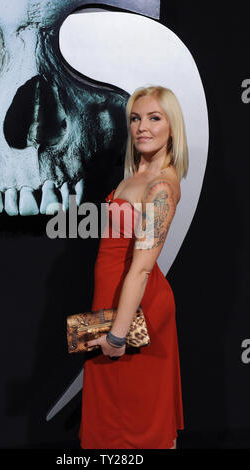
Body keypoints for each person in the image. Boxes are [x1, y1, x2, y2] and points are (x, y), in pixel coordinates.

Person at [79, 85, 188, 449]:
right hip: (110, 304)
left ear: (172, 127)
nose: (142, 126)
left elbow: (140, 269)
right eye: (136, 118)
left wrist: (117, 335)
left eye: (154, 118)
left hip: (136, 312)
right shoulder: (134, 174)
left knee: (139, 425)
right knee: (110, 420)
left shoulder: (160, 187)